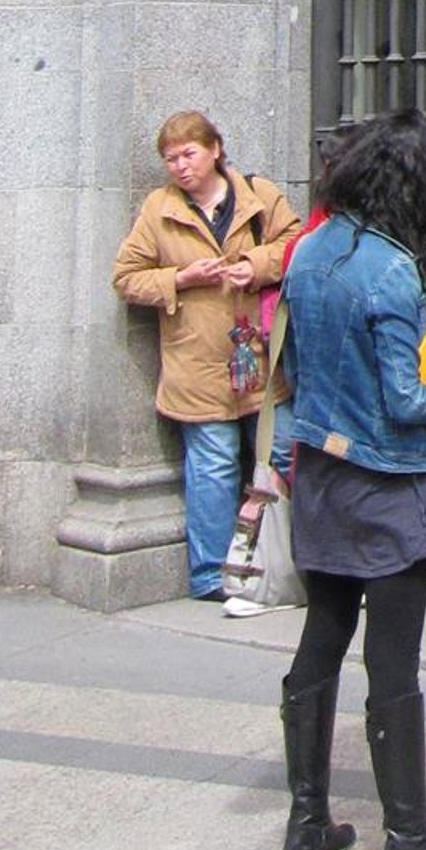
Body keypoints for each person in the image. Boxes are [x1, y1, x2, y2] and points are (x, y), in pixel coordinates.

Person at [276, 107, 426, 850]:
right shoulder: (395, 269)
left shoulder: (308, 250)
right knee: (393, 660)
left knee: (323, 633)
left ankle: (306, 825)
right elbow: (407, 399)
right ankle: (407, 844)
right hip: (389, 488)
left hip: (321, 478)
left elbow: (294, 369)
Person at [113, 111, 301, 609]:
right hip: (195, 365)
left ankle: (300, 560)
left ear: (215, 149)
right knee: (213, 468)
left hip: (259, 360)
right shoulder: (159, 209)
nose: (180, 166)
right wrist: (180, 278)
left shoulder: (258, 194)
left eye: (188, 154)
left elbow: (296, 245)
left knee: (284, 452)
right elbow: (126, 277)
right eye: (170, 158)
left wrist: (254, 266)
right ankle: (212, 575)